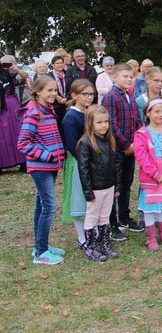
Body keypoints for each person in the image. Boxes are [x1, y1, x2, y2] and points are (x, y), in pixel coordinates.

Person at [17, 76, 66, 265]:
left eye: (55, 90)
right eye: (49, 91)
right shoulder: (34, 112)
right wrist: (47, 155)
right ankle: (41, 253)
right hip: (41, 166)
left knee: (41, 204)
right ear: (38, 91)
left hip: (51, 166)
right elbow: (23, 142)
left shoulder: (48, 110)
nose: (53, 94)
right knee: (49, 206)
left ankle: (39, 246)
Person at [103, 63, 144, 241]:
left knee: (127, 183)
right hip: (118, 150)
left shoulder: (130, 96)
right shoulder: (111, 97)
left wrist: (138, 141)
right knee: (115, 187)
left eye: (130, 77)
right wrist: (126, 145)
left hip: (131, 148)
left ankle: (124, 218)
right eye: (124, 76)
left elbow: (137, 121)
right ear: (114, 77)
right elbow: (112, 125)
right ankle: (112, 225)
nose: (128, 79)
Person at [133, 99, 162, 250]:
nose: (161, 115)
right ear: (148, 113)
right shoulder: (142, 134)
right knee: (151, 208)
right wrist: (155, 174)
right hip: (151, 177)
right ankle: (151, 237)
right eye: (157, 111)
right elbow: (142, 157)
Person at [77, 105, 121, 261]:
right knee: (92, 216)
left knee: (105, 216)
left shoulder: (109, 140)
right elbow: (83, 170)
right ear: (90, 124)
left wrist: (117, 185)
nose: (104, 125)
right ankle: (90, 246)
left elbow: (115, 165)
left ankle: (104, 243)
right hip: (95, 188)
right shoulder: (86, 143)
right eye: (99, 122)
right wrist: (88, 192)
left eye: (106, 122)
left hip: (109, 186)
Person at [61, 79, 95, 253]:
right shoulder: (71, 117)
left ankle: (92, 232)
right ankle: (82, 237)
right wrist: (85, 160)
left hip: (91, 161)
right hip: (78, 162)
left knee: (91, 198)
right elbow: (72, 144)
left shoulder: (88, 112)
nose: (89, 97)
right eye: (85, 94)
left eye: (91, 94)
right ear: (74, 95)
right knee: (79, 198)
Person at [0, 55, 28, 171]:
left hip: (11, 105)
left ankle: (23, 162)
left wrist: (16, 69)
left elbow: (24, 77)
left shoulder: (9, 73)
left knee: (17, 131)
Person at [48, 55, 69, 127]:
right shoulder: (49, 76)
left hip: (66, 104)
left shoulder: (67, 74)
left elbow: (70, 88)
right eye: (57, 63)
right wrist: (57, 96)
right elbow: (48, 89)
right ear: (53, 65)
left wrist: (66, 98)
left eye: (61, 63)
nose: (60, 65)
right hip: (54, 104)